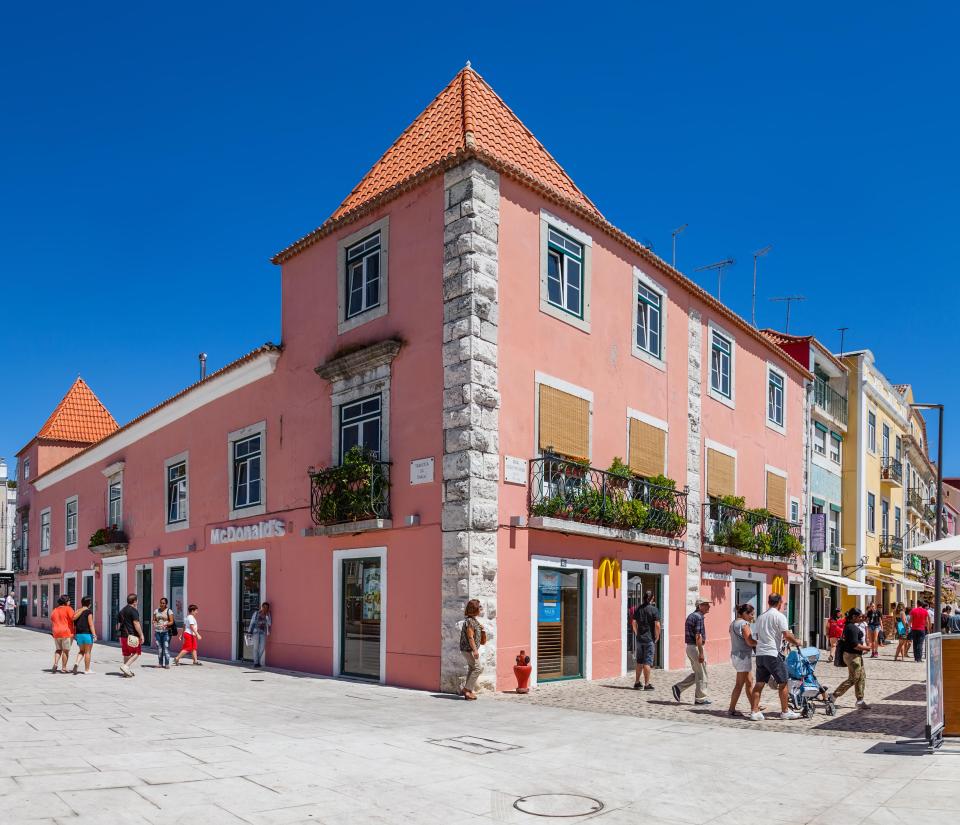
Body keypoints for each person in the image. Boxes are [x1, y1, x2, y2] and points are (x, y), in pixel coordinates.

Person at [748, 593, 802, 721]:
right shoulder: (779, 616)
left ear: (769, 602)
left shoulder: (761, 617)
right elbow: (786, 635)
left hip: (760, 654)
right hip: (773, 653)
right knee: (783, 682)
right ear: (779, 603)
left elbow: (756, 637)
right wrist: (797, 642)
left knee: (759, 683)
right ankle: (785, 711)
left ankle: (754, 712)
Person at [672, 598, 711, 705]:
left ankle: (678, 688)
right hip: (696, 647)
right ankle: (700, 699)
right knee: (702, 674)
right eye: (706, 604)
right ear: (700, 606)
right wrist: (701, 652)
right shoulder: (698, 617)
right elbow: (698, 636)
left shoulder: (692, 616)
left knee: (698, 673)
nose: (709, 606)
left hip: (690, 647)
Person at [829, 608, 871, 708]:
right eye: (859, 617)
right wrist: (867, 648)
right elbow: (855, 645)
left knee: (861, 677)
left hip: (856, 656)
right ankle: (834, 695)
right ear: (854, 617)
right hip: (852, 656)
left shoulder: (851, 626)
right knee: (853, 678)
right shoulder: (851, 628)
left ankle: (860, 700)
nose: (861, 618)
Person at [728, 603, 758, 717]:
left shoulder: (733, 623)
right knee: (739, 684)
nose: (752, 617)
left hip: (736, 655)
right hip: (743, 656)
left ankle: (754, 706)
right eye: (751, 614)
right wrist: (762, 643)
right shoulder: (744, 624)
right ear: (745, 613)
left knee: (749, 682)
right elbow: (750, 641)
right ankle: (731, 709)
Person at [631, 591, 661, 690]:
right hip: (649, 639)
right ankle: (647, 684)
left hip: (639, 639)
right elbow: (657, 624)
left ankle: (637, 682)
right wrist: (657, 636)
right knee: (647, 662)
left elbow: (634, 622)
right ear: (652, 598)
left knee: (639, 661)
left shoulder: (638, 608)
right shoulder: (654, 609)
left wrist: (636, 632)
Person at [459, 599, 485, 699]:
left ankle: (468, 692)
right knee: (478, 668)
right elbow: (470, 637)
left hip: (467, 649)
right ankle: (466, 689)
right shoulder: (470, 621)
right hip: (468, 649)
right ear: (474, 609)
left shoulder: (473, 620)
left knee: (472, 668)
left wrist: (481, 629)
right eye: (479, 607)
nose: (481, 609)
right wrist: (475, 650)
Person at [118, 593, 144, 677]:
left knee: (126, 653)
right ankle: (126, 666)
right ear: (135, 601)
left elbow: (118, 624)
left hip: (123, 635)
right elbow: (136, 623)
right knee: (137, 652)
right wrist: (141, 635)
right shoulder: (133, 610)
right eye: (137, 601)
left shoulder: (122, 611)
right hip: (132, 635)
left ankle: (126, 672)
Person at [70, 596, 97, 674]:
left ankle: (76, 663)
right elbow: (91, 624)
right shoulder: (88, 612)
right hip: (87, 634)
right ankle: (87, 669)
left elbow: (74, 622)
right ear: (89, 604)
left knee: (81, 651)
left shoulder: (77, 611)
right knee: (88, 652)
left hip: (79, 634)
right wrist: (94, 634)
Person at [50, 595, 76, 673]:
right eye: (69, 600)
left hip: (56, 632)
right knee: (66, 651)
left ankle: (55, 663)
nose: (70, 602)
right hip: (66, 632)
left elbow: (52, 619)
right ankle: (64, 668)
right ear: (66, 601)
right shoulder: (68, 609)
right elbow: (73, 618)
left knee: (58, 650)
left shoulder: (55, 610)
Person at [153, 597, 175, 669]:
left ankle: (167, 664)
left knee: (165, 648)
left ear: (166, 604)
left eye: (163, 603)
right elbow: (154, 620)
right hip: (157, 632)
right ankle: (160, 663)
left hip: (166, 632)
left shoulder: (169, 611)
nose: (162, 604)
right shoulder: (156, 611)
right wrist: (154, 623)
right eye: (161, 603)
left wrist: (166, 624)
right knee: (159, 648)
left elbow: (171, 621)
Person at [247, 601, 272, 668]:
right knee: (255, 648)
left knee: (262, 647)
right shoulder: (256, 613)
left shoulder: (268, 614)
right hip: (255, 632)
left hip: (263, 633)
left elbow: (269, 624)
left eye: (267, 607)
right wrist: (249, 631)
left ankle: (257, 660)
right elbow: (252, 622)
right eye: (264, 607)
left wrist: (267, 617)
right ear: (262, 607)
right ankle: (256, 663)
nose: (265, 608)